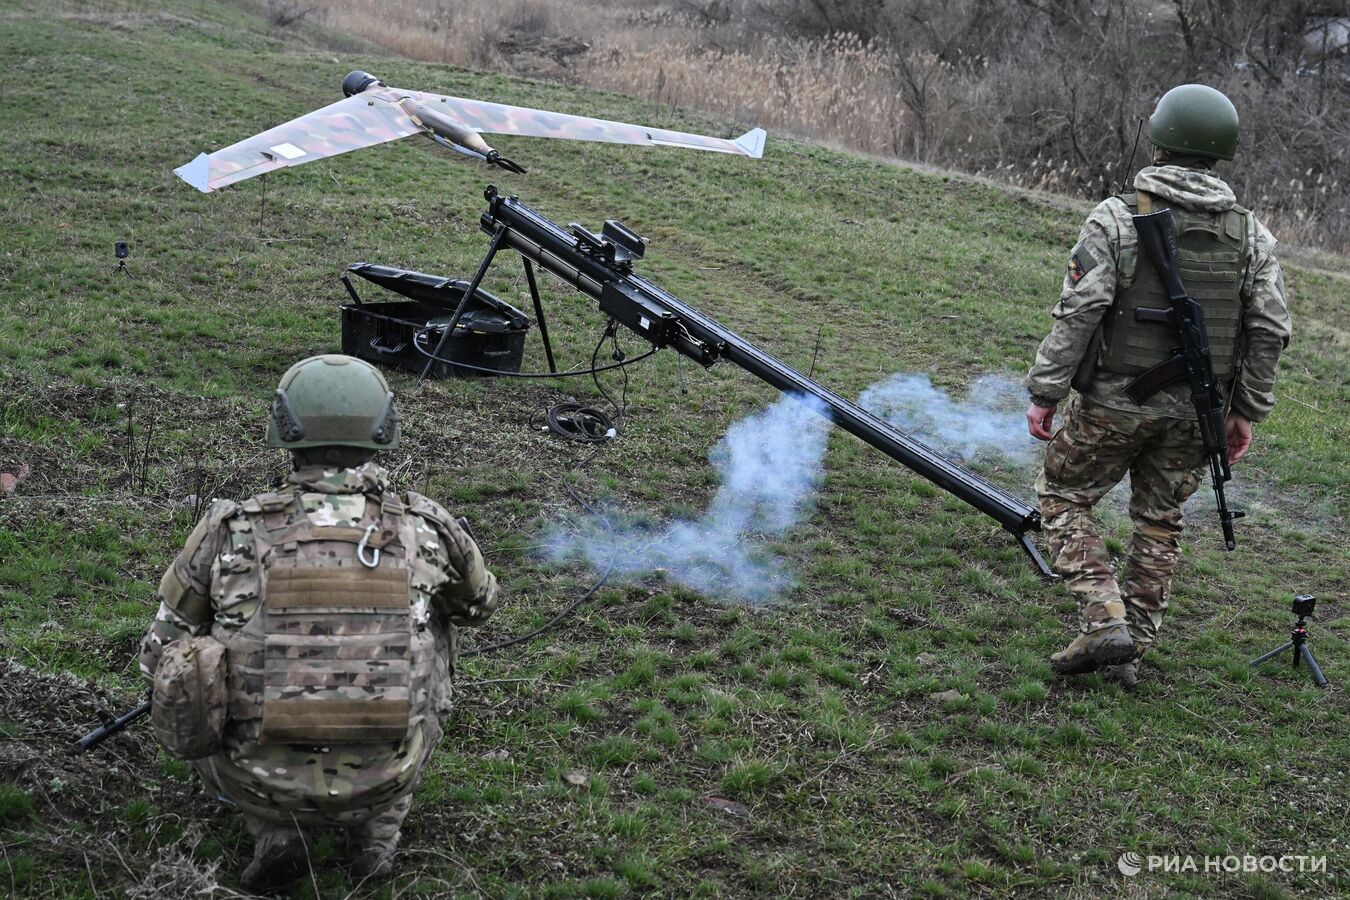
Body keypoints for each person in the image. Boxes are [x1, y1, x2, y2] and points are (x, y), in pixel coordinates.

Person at [138, 354, 500, 891]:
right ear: (384, 427)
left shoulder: (229, 528)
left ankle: (274, 830)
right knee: (434, 625)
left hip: (252, 780)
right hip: (389, 773)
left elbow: (158, 654)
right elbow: (479, 606)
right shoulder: (427, 526)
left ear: (285, 430)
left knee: (199, 656)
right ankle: (377, 833)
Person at [1024, 84, 1291, 687]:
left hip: (1116, 402)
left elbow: (1079, 311)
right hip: (1198, 411)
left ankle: (1104, 615)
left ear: (1159, 137)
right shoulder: (1251, 235)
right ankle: (1132, 653)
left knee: (1063, 496)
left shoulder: (1118, 218)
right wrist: (1245, 409)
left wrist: (1046, 391)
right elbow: (1270, 328)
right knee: (1160, 518)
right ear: (1223, 150)